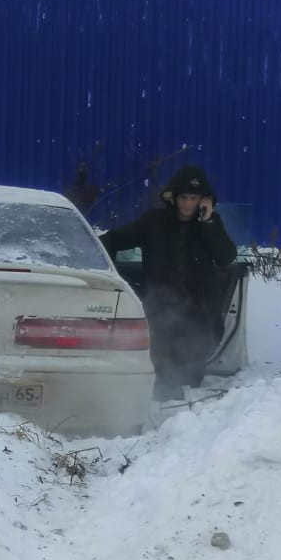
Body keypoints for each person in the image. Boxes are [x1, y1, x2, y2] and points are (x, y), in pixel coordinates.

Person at [99, 164, 237, 399]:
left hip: (199, 316)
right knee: (159, 374)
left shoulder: (211, 224)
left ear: (203, 201)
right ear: (174, 197)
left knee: (189, 380)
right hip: (160, 313)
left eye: (193, 198)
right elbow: (117, 239)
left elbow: (226, 257)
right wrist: (89, 250)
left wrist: (208, 223)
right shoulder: (154, 222)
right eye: (183, 197)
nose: (187, 204)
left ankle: (186, 419)